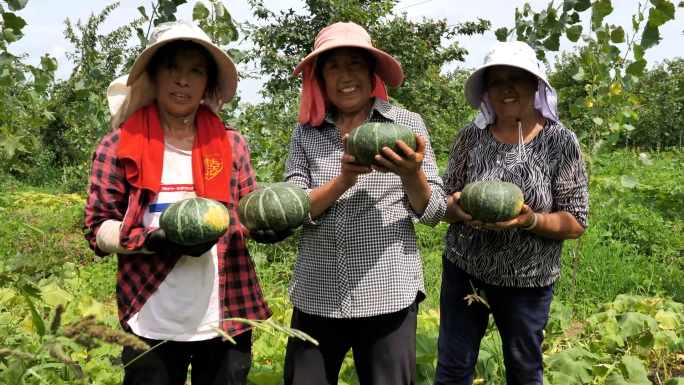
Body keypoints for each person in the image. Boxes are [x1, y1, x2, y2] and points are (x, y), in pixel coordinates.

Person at [83, 20, 294, 385]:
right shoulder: (118, 146)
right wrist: (149, 241)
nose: (183, 79)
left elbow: (245, 213)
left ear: (207, 83)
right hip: (150, 314)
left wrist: (263, 228)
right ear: (152, 76)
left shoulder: (231, 145)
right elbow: (98, 226)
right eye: (173, 67)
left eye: (195, 70)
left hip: (225, 313)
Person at [282, 21, 447, 385]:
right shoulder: (306, 131)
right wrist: (344, 180)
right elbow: (292, 208)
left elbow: (435, 211)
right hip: (317, 292)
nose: (346, 76)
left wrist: (411, 174)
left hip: (387, 291)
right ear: (320, 78)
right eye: (333, 66)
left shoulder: (405, 124)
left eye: (355, 63)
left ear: (371, 73)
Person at [436, 41, 589, 385]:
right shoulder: (470, 137)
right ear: (487, 91)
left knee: (523, 371)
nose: (506, 87)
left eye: (517, 78)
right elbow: (443, 203)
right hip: (465, 270)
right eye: (496, 80)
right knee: (453, 367)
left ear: (535, 84)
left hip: (528, 280)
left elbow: (576, 221)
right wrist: (457, 210)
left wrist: (529, 220)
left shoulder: (561, 141)